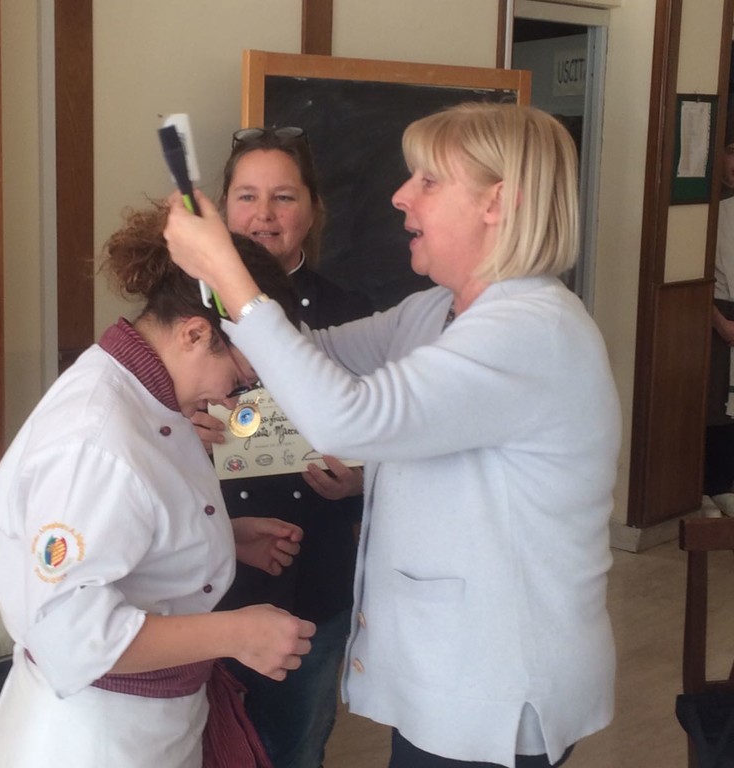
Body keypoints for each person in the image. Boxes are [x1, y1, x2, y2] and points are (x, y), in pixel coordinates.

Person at [165, 102, 622, 768]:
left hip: (497, 683)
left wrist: (228, 274)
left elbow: (347, 417)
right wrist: (216, 279)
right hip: (451, 673)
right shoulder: (436, 311)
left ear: (498, 202)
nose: (401, 196)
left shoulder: (531, 330)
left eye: (428, 181)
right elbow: (308, 352)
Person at [0, 202, 317, 768]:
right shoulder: (94, 441)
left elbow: (127, 524)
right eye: (239, 379)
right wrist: (235, 634)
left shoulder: (146, 392)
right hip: (92, 736)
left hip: (151, 724)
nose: (232, 398)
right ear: (195, 333)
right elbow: (70, 636)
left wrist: (220, 537)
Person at [192, 125, 373, 768]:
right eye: (247, 196)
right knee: (200, 747)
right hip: (205, 578)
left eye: (283, 197)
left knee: (296, 747)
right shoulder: (183, 310)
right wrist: (178, 430)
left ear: (312, 210)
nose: (263, 215)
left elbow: (386, 434)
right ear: (223, 208)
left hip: (314, 575)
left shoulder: (353, 315)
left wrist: (362, 480)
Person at [705, 109, 734, 498]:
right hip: (715, 310)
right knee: (713, 404)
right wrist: (718, 321)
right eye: (731, 150)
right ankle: (708, 488)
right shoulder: (706, 205)